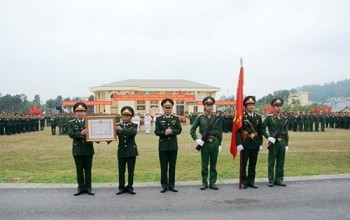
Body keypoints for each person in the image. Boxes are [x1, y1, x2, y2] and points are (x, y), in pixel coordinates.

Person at [190, 96, 223, 190]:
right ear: (204, 106)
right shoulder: (200, 118)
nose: (209, 107)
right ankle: (204, 182)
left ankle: (212, 182)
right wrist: (197, 139)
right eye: (207, 105)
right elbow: (192, 130)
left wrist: (220, 144)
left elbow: (220, 131)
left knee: (213, 164)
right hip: (204, 144)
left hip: (215, 143)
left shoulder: (217, 117)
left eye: (211, 105)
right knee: (204, 165)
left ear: (213, 106)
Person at [154, 98, 182, 193]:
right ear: (163, 108)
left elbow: (179, 130)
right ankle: (164, 185)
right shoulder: (158, 119)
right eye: (166, 107)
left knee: (172, 167)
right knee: (164, 167)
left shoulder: (176, 119)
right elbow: (156, 131)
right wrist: (164, 133)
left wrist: (172, 131)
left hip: (173, 146)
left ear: (172, 108)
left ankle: (172, 185)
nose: (167, 109)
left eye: (169, 107)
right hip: (163, 146)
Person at [236, 96, 263, 189]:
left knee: (253, 163)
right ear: (245, 106)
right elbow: (238, 131)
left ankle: (251, 181)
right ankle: (244, 181)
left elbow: (260, 131)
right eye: (249, 105)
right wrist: (239, 143)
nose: (251, 107)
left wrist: (260, 143)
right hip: (245, 143)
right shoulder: (242, 117)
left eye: (252, 105)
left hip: (255, 143)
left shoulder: (258, 117)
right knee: (243, 164)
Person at [68, 102, 95, 196]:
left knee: (88, 170)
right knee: (79, 170)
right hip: (78, 150)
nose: (80, 113)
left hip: (88, 149)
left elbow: (95, 134)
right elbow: (71, 134)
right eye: (78, 111)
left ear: (85, 112)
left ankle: (88, 187)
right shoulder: (71, 123)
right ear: (75, 113)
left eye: (82, 111)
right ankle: (80, 187)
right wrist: (81, 133)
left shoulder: (89, 122)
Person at [262, 98, 289, 187]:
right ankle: (271, 180)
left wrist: (286, 144)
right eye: (276, 106)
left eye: (280, 106)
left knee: (281, 162)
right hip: (273, 143)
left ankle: (279, 179)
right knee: (271, 162)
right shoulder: (269, 118)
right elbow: (261, 129)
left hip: (282, 143)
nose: (279, 108)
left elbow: (286, 132)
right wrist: (268, 137)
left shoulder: (284, 119)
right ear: (273, 107)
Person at [115, 106, 139, 195]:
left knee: (130, 170)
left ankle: (130, 187)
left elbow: (132, 133)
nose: (126, 117)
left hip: (131, 151)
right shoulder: (117, 125)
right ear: (121, 116)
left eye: (128, 116)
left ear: (131, 117)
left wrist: (121, 129)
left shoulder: (134, 125)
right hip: (121, 151)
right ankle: (121, 187)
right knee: (121, 170)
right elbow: (111, 136)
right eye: (124, 115)